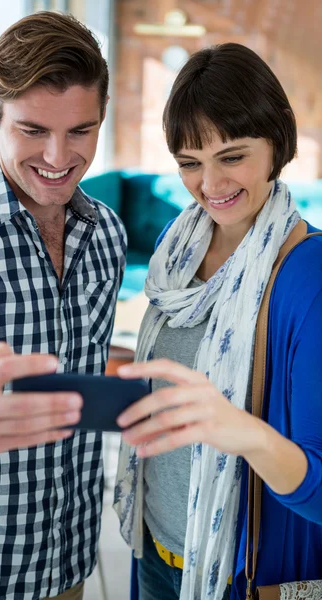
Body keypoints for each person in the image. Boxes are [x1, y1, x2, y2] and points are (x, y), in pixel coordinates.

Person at [0, 11, 126, 600]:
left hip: (67, 567)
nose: (59, 158)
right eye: (33, 130)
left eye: (81, 131)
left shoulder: (106, 234)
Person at [113, 43, 322, 600]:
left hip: (237, 571)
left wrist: (239, 430)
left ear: (278, 138)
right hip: (156, 543)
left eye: (232, 156)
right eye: (189, 162)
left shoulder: (310, 275)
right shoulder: (175, 250)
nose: (210, 185)